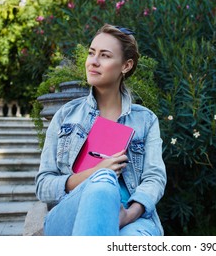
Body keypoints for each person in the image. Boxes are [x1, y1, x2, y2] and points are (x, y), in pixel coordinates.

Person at [35, 24, 167, 236]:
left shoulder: (146, 120)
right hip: (71, 213)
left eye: (105, 56)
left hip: (131, 217)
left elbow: (154, 179)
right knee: (104, 182)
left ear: (126, 65)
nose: (93, 62)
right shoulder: (66, 115)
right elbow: (43, 186)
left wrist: (128, 215)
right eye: (91, 53)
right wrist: (97, 173)